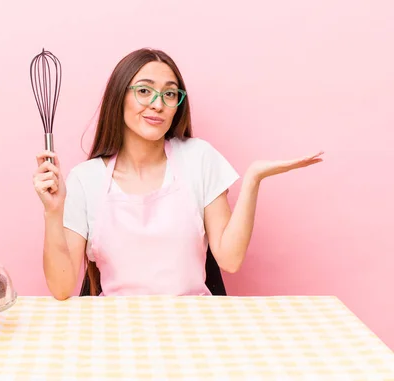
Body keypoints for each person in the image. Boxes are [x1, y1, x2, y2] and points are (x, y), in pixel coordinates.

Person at [32, 48, 323, 300]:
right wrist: (53, 213)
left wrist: (253, 179)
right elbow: (61, 288)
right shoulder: (86, 179)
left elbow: (230, 259)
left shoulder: (198, 158)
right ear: (119, 97)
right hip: (116, 330)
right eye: (144, 91)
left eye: (169, 94)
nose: (158, 104)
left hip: (193, 326)